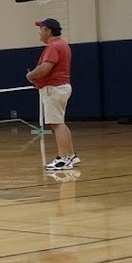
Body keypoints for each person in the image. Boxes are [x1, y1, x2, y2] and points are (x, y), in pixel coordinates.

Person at [25, 18, 79, 172]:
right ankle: (71, 155)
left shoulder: (53, 46)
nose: (39, 32)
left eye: (41, 29)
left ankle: (62, 159)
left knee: (56, 123)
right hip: (61, 87)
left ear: (48, 31)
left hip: (54, 89)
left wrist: (30, 76)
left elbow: (45, 68)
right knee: (60, 122)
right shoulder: (63, 44)